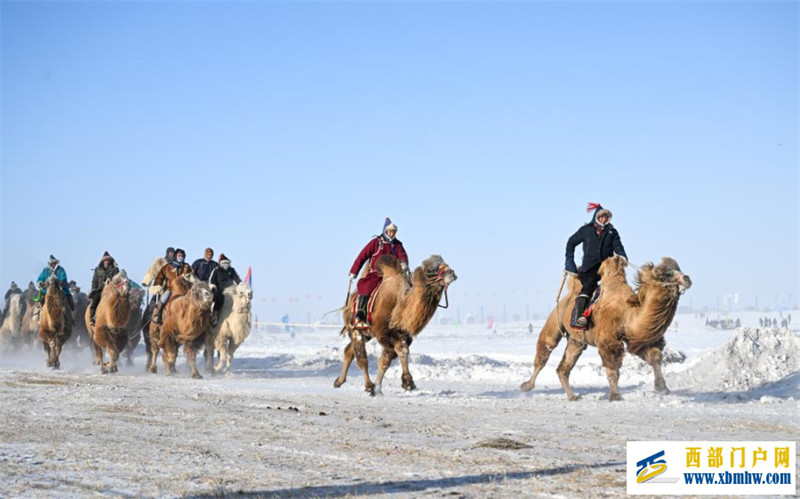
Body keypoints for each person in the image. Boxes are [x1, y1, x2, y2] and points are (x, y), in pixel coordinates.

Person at [565, 203, 627, 327]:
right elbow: (571, 243)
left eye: (606, 217)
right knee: (588, 286)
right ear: (596, 217)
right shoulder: (586, 230)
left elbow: (618, 246)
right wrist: (569, 262)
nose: (603, 219)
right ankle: (579, 316)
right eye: (601, 217)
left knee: (619, 285)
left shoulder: (612, 232)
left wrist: (622, 255)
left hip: (606, 269)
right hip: (589, 269)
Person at [349, 218, 409, 329]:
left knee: (407, 289)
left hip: (393, 276)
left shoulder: (398, 245)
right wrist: (354, 271)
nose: (391, 234)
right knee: (365, 286)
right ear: (385, 231)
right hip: (376, 274)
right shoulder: (376, 243)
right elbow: (362, 256)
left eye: (393, 232)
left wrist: (404, 264)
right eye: (389, 231)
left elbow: (403, 257)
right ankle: (360, 315)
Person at [151, 248, 193, 325]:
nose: (180, 257)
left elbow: (192, 276)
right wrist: (157, 285)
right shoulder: (168, 266)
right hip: (171, 288)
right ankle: (157, 314)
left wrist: (194, 282)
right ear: (176, 256)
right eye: (179, 255)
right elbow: (160, 276)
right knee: (164, 298)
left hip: (185, 289)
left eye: (182, 256)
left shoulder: (187, 267)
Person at [208, 253, 242, 326]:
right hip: (220, 290)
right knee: (219, 299)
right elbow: (211, 281)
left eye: (227, 263)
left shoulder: (232, 270)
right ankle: (214, 316)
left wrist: (241, 286)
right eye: (223, 263)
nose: (225, 265)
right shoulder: (216, 271)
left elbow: (237, 279)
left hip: (231, 289)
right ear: (220, 263)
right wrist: (213, 287)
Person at [88, 251, 119, 326]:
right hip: (100, 290)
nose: (107, 262)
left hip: (111, 291)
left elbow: (118, 280)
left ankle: (118, 319)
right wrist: (93, 289)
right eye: (105, 260)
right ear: (103, 262)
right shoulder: (97, 270)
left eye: (108, 260)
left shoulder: (115, 270)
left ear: (110, 261)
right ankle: (92, 317)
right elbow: (94, 280)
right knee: (95, 301)